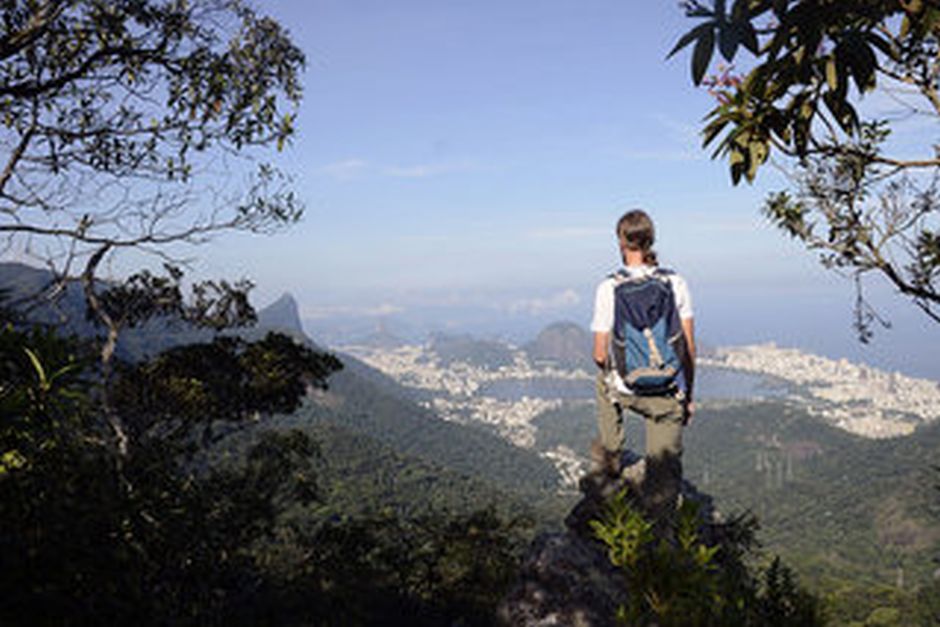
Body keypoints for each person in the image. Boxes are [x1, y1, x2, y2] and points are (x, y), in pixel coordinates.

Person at [589, 209, 696, 531]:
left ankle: (611, 459)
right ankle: (661, 536)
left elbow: (598, 354)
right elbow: (688, 350)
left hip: (625, 391)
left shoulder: (610, 287)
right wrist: (687, 397)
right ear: (652, 240)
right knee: (663, 478)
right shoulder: (674, 282)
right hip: (666, 394)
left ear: (621, 242)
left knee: (602, 381)